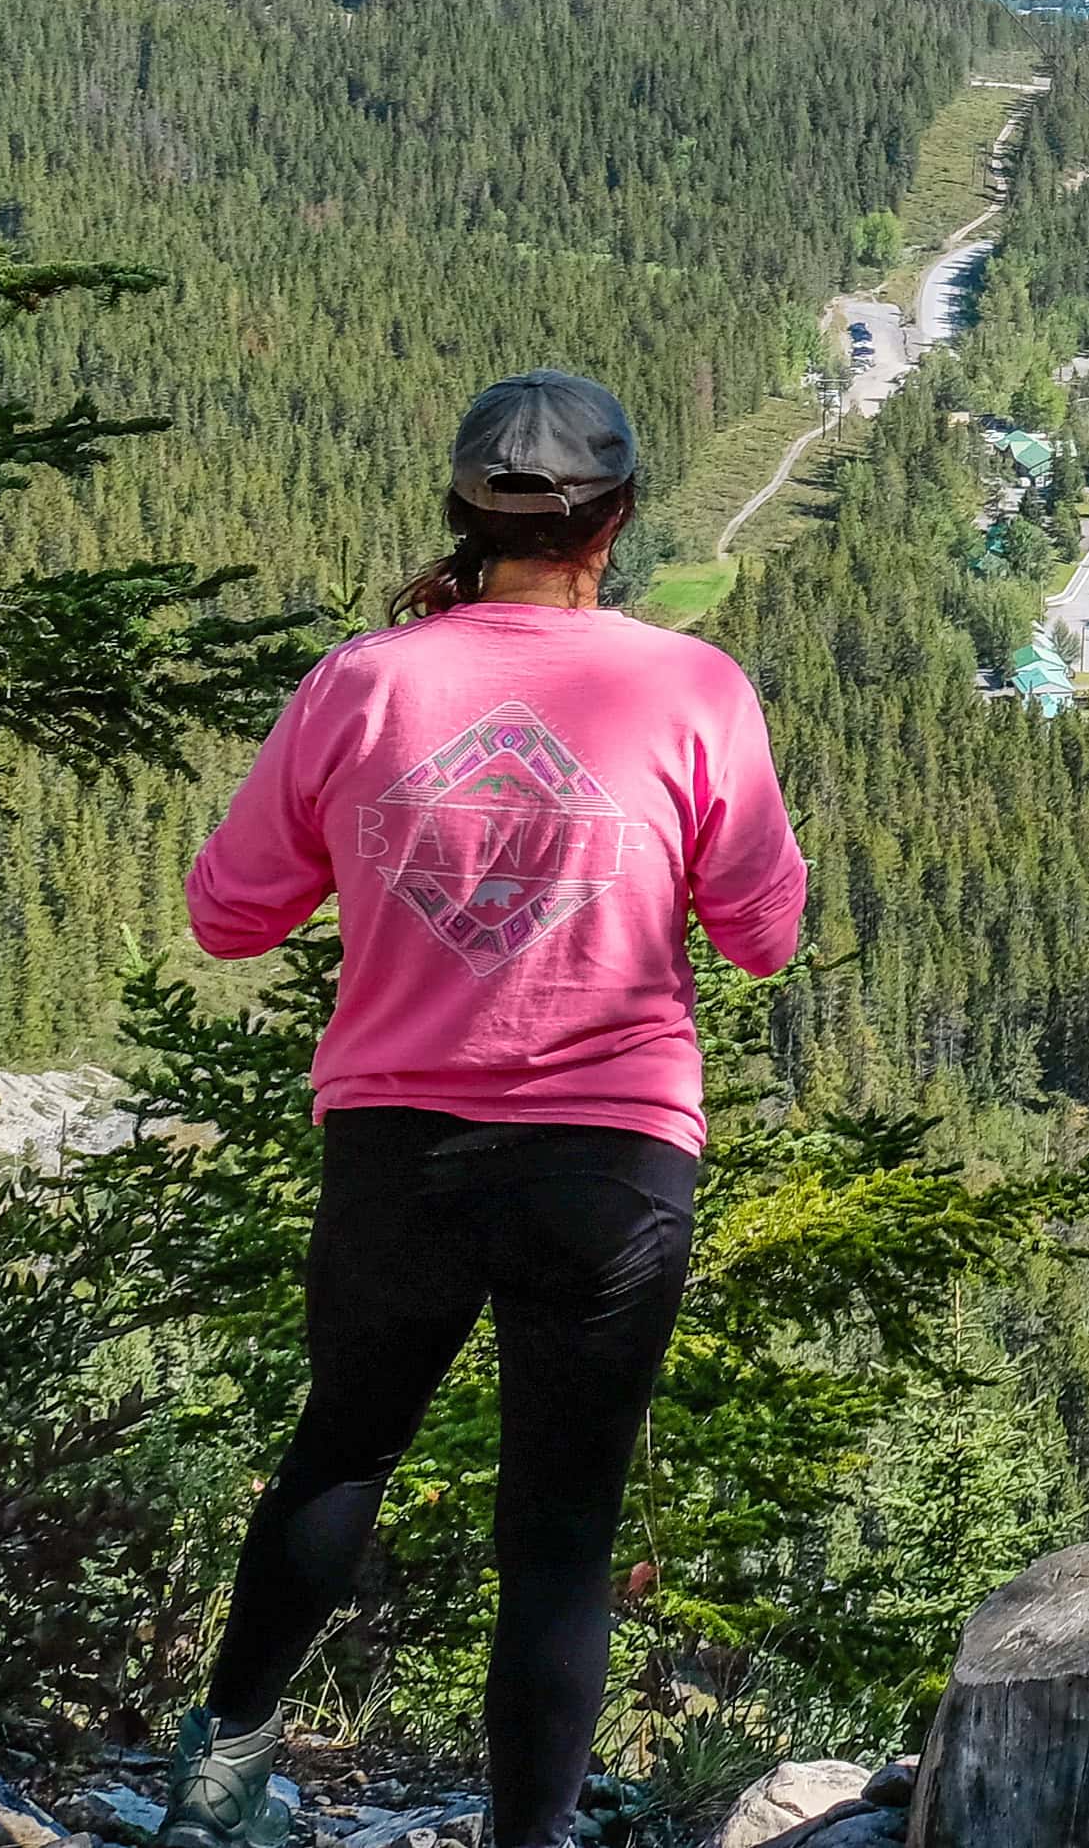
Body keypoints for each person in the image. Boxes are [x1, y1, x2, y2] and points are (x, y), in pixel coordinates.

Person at [165, 373, 808, 1848]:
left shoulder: (362, 684)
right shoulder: (692, 687)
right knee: (563, 1532)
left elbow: (227, 918)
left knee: (343, 1449)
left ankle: (212, 1789)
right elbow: (762, 932)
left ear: (461, 516)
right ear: (619, 519)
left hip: (399, 1146)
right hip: (615, 1159)